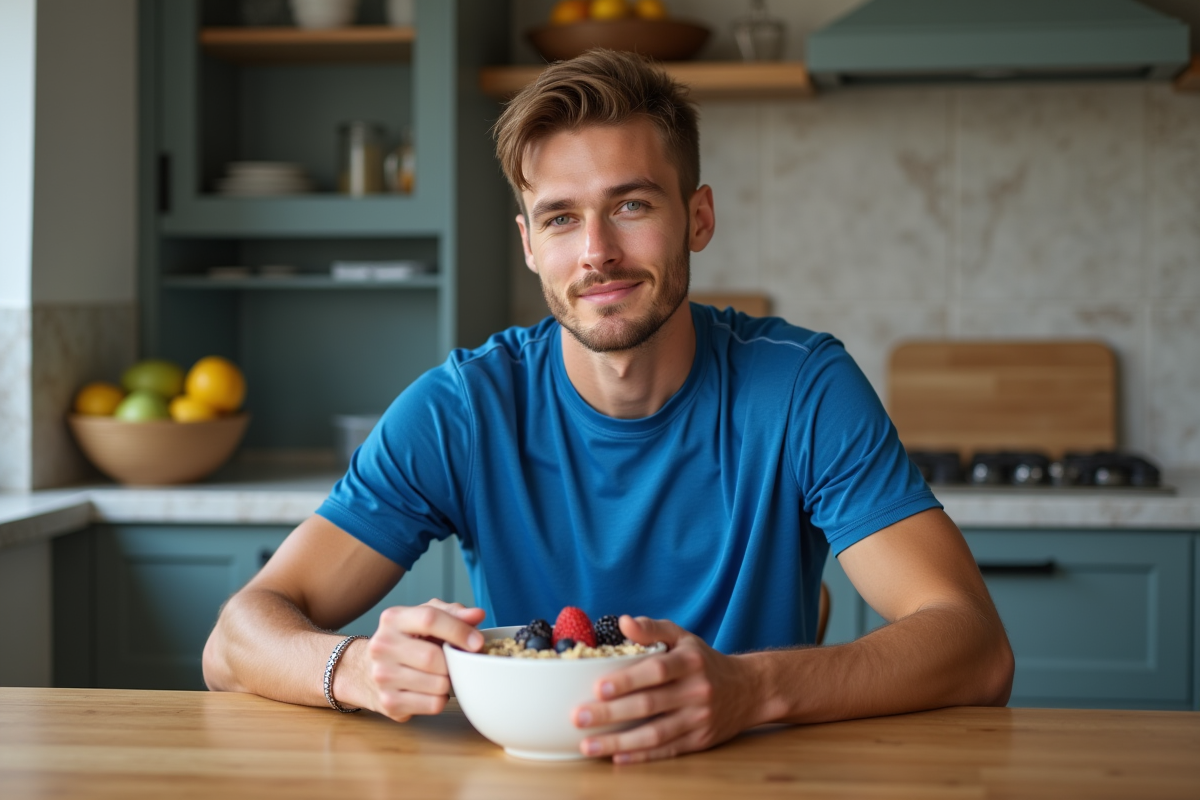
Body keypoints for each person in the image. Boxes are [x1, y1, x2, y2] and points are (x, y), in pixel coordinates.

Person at [203, 49, 1013, 764]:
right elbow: (234, 640)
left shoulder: (802, 387)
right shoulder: (463, 408)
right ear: (529, 244)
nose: (597, 252)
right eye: (561, 217)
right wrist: (351, 672)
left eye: (631, 205)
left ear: (697, 218)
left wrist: (751, 688)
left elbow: (975, 648)